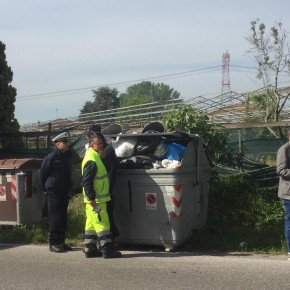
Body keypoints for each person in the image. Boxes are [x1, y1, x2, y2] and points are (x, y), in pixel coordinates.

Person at [82, 136, 121, 259]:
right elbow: (86, 181)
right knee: (103, 225)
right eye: (98, 144)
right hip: (97, 200)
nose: (101, 146)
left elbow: (107, 168)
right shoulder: (91, 159)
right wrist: (92, 199)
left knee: (91, 226)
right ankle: (107, 250)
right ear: (91, 145)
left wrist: (104, 157)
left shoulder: (96, 156)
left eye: (101, 144)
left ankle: (90, 249)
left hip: (95, 199)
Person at [38, 132, 72, 253]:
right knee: (55, 218)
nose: (68, 144)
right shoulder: (51, 157)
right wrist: (45, 189)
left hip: (63, 191)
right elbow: (42, 174)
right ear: (58, 144)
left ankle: (61, 242)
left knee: (63, 217)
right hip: (53, 191)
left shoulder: (65, 157)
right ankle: (54, 243)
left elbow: (68, 176)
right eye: (65, 142)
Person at [85, 124, 119, 240]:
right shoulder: (93, 151)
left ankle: (109, 243)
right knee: (95, 220)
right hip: (97, 194)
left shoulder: (105, 150)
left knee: (106, 218)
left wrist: (108, 190)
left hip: (104, 192)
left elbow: (110, 171)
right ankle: (93, 245)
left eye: (89, 135)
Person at [277, 127, 290, 259]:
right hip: (288, 193)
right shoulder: (284, 150)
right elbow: (281, 170)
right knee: (289, 221)